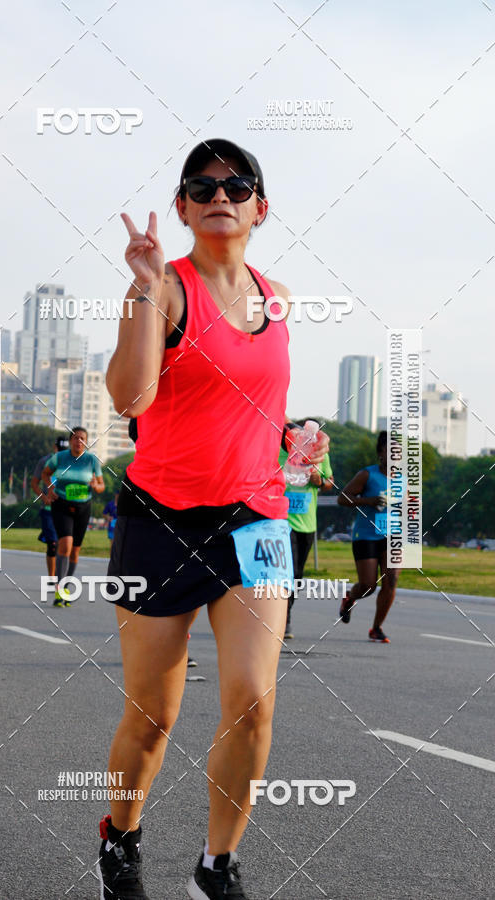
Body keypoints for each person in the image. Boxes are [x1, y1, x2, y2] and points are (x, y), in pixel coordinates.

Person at [100, 138, 329, 900]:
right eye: (201, 186)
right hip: (160, 519)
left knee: (254, 704)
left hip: (257, 522)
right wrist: (139, 289)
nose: (218, 195)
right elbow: (131, 400)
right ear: (183, 209)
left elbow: (248, 395)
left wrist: (291, 438)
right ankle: (122, 841)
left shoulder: (280, 297)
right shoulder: (165, 288)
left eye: (237, 185)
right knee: (152, 720)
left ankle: (214, 866)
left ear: (262, 208)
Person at [337, 430, 399, 643]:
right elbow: (342, 499)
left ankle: (376, 628)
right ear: (380, 453)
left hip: (393, 535)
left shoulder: (404, 478)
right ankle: (350, 598)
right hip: (366, 535)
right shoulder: (367, 474)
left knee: (391, 580)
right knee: (368, 586)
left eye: (398, 453)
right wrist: (369, 501)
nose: (394, 456)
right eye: (389, 452)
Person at [278, 426, 334, 639]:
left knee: (298, 573)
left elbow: (329, 482)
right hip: (282, 520)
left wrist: (318, 480)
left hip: (307, 522)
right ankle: (284, 620)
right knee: (288, 571)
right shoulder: (279, 453)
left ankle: (287, 611)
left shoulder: (318, 454)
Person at [42, 427, 105, 607]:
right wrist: (50, 488)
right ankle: (60, 589)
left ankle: (66, 586)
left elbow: (102, 486)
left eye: (83, 439)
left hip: (83, 507)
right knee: (65, 544)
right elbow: (45, 474)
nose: (79, 442)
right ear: (70, 441)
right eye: (76, 438)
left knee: (75, 550)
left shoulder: (92, 460)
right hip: (61, 504)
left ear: (87, 442)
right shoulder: (60, 458)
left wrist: (95, 485)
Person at [31, 436, 69, 579]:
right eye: (59, 449)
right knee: (52, 545)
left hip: (66, 509)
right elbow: (34, 483)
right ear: (55, 448)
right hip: (48, 510)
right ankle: (52, 578)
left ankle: (61, 576)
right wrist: (44, 498)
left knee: (63, 545)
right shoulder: (44, 461)